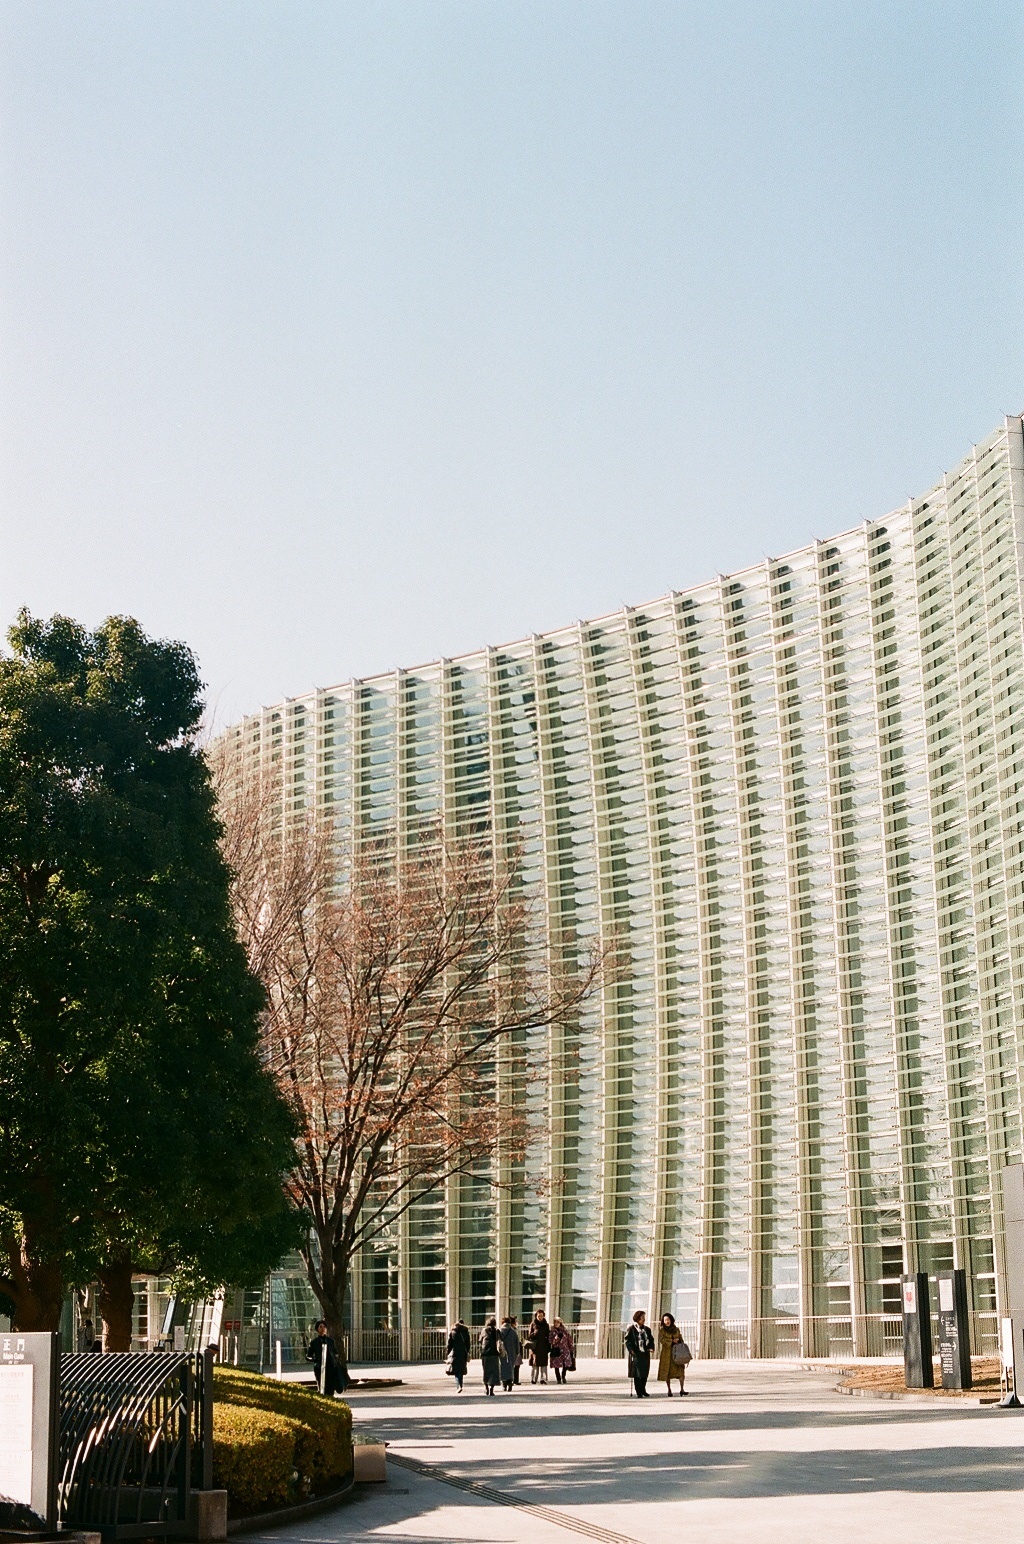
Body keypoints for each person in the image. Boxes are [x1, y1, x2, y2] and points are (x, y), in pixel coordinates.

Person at [306, 1320, 346, 1396]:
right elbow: (308, 1356)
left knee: (330, 1387)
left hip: (331, 1367)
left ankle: (330, 1399)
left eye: (324, 1327)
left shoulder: (330, 1341)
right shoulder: (314, 1342)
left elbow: (335, 1352)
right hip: (319, 1367)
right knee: (322, 1387)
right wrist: (315, 1360)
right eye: (320, 1327)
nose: (322, 1329)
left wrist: (336, 1358)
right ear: (317, 1329)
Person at [657, 1311, 691, 1396]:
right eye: (665, 1320)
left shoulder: (676, 1329)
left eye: (668, 1320)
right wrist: (671, 1341)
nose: (667, 1322)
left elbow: (680, 1338)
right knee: (667, 1372)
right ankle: (669, 1390)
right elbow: (661, 1340)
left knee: (680, 1371)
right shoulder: (662, 1331)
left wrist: (678, 1342)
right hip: (667, 1354)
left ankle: (682, 1389)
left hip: (677, 1353)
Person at [624, 1309, 655, 1398]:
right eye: (642, 1318)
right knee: (637, 1373)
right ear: (637, 1318)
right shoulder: (631, 1329)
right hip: (636, 1353)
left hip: (645, 1353)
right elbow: (627, 1341)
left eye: (644, 1317)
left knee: (645, 1372)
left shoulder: (647, 1329)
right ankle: (638, 1391)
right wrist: (631, 1350)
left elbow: (651, 1340)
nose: (643, 1319)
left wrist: (651, 1348)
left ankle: (643, 1389)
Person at [446, 1318, 471, 1392]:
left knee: (456, 1371)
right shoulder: (466, 1332)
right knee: (461, 1370)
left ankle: (458, 1386)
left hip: (455, 1353)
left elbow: (449, 1344)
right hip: (463, 1353)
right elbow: (468, 1344)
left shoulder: (453, 1332)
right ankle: (461, 1384)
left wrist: (448, 1353)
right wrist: (467, 1351)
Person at [526, 1308, 550, 1384]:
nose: (540, 1317)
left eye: (541, 1316)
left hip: (543, 1346)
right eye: (539, 1316)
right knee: (535, 1363)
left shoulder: (546, 1325)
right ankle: (534, 1379)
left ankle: (543, 1379)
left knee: (543, 1364)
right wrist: (535, 1333)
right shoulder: (533, 1324)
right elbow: (529, 1335)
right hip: (535, 1347)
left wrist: (549, 1346)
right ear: (536, 1316)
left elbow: (548, 1335)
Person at [497, 1316, 521, 1392]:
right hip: (512, 1352)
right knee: (511, 1367)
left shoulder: (499, 1331)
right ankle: (510, 1382)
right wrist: (517, 1352)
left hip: (501, 1352)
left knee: (503, 1367)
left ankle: (504, 1384)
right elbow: (517, 1343)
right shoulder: (513, 1331)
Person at [549, 1318, 576, 1384]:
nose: (557, 1324)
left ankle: (563, 1376)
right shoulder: (552, 1331)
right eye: (555, 1322)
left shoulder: (565, 1331)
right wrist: (557, 1337)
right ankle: (558, 1378)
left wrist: (571, 1349)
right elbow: (551, 1341)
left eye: (558, 1322)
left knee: (565, 1365)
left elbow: (569, 1340)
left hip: (565, 1350)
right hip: (557, 1350)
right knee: (556, 1366)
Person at [479, 1317, 501, 1395]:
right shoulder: (496, 1331)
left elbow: (480, 1341)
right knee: (494, 1371)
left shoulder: (483, 1331)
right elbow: (499, 1341)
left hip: (485, 1353)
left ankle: (486, 1387)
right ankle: (492, 1389)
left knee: (486, 1371)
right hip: (494, 1353)